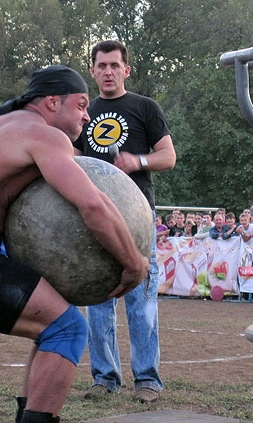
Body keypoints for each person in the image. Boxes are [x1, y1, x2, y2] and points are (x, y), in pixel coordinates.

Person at [0, 65, 149, 423]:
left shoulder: (2, 128)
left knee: (49, 330)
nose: (87, 116)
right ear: (52, 102)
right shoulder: (43, 135)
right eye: (81, 105)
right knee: (68, 328)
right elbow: (93, 205)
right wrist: (134, 263)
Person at [73, 40, 176, 403]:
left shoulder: (145, 107)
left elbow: (168, 157)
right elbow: (72, 158)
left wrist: (138, 161)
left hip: (137, 216)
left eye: (115, 65)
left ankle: (147, 380)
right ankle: (104, 378)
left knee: (141, 299)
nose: (108, 72)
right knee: (97, 300)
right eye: (101, 66)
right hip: (95, 218)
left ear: (126, 70)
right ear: (92, 71)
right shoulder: (84, 112)